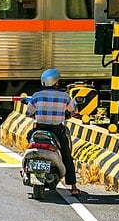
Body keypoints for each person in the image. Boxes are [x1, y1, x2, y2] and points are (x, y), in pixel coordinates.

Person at [24, 68, 80, 196]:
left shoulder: (36, 96)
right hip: (57, 131)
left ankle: (25, 169)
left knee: (29, 141)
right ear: (56, 82)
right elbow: (73, 111)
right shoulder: (65, 96)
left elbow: (28, 113)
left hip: (39, 129)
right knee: (66, 156)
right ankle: (74, 187)